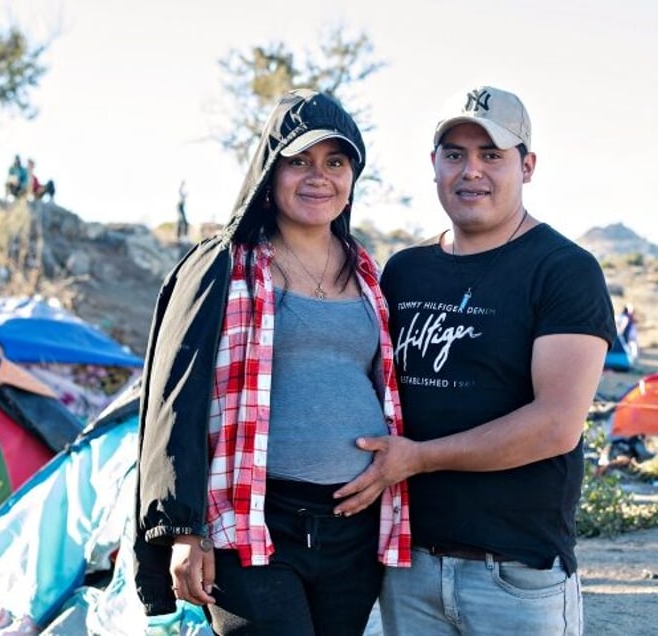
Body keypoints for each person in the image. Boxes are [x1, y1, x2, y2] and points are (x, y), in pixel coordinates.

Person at [332, 84, 616, 636]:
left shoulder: (563, 270)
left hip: (516, 574)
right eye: (455, 154)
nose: (471, 172)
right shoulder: (405, 271)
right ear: (433, 164)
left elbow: (556, 425)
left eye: (491, 155)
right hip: (408, 568)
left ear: (527, 166)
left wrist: (417, 459)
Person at [134, 88, 410, 635]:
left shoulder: (369, 273)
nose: (318, 176)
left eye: (335, 162)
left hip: (351, 531)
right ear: (270, 169)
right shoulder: (223, 264)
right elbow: (174, 398)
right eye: (299, 161)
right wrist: (182, 529)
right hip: (251, 522)